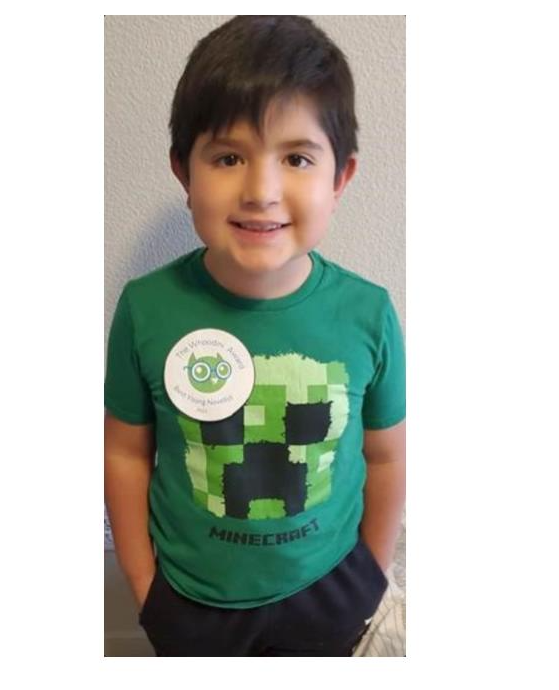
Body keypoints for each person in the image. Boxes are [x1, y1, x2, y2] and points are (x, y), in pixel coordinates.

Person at [104, 15, 405, 657]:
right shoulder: (146, 307)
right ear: (184, 171)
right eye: (228, 157)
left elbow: (386, 456)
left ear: (340, 177)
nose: (261, 191)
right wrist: (146, 588)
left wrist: (370, 578)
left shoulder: (369, 313)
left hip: (331, 592)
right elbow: (125, 453)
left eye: (296, 158)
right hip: (189, 604)